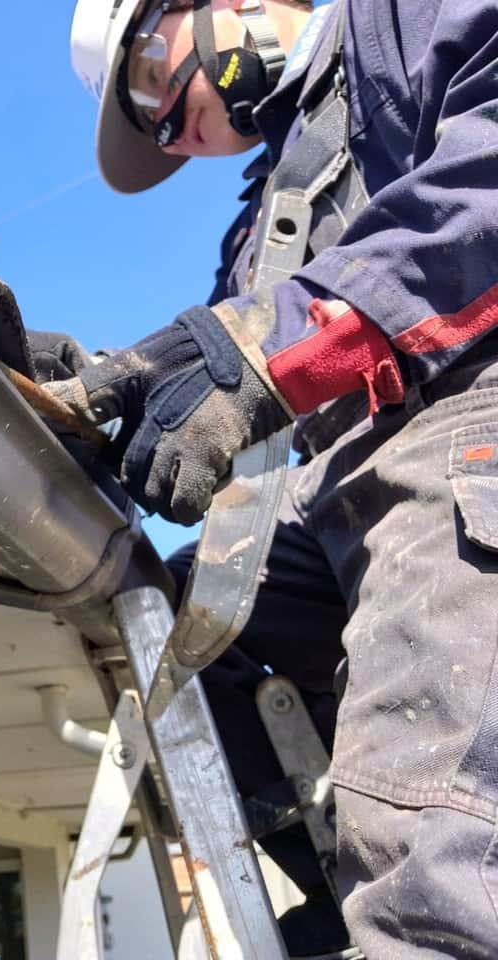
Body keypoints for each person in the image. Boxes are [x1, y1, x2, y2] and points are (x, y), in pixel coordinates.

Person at [43, 0, 498, 956]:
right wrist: (105, 396)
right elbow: (228, 364)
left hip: (470, 428)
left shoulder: (407, 20)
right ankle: (338, 885)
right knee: (188, 626)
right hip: (342, 497)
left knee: (438, 885)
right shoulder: (263, 227)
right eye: (152, 125)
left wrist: (279, 351)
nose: (172, 128)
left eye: (151, 81)